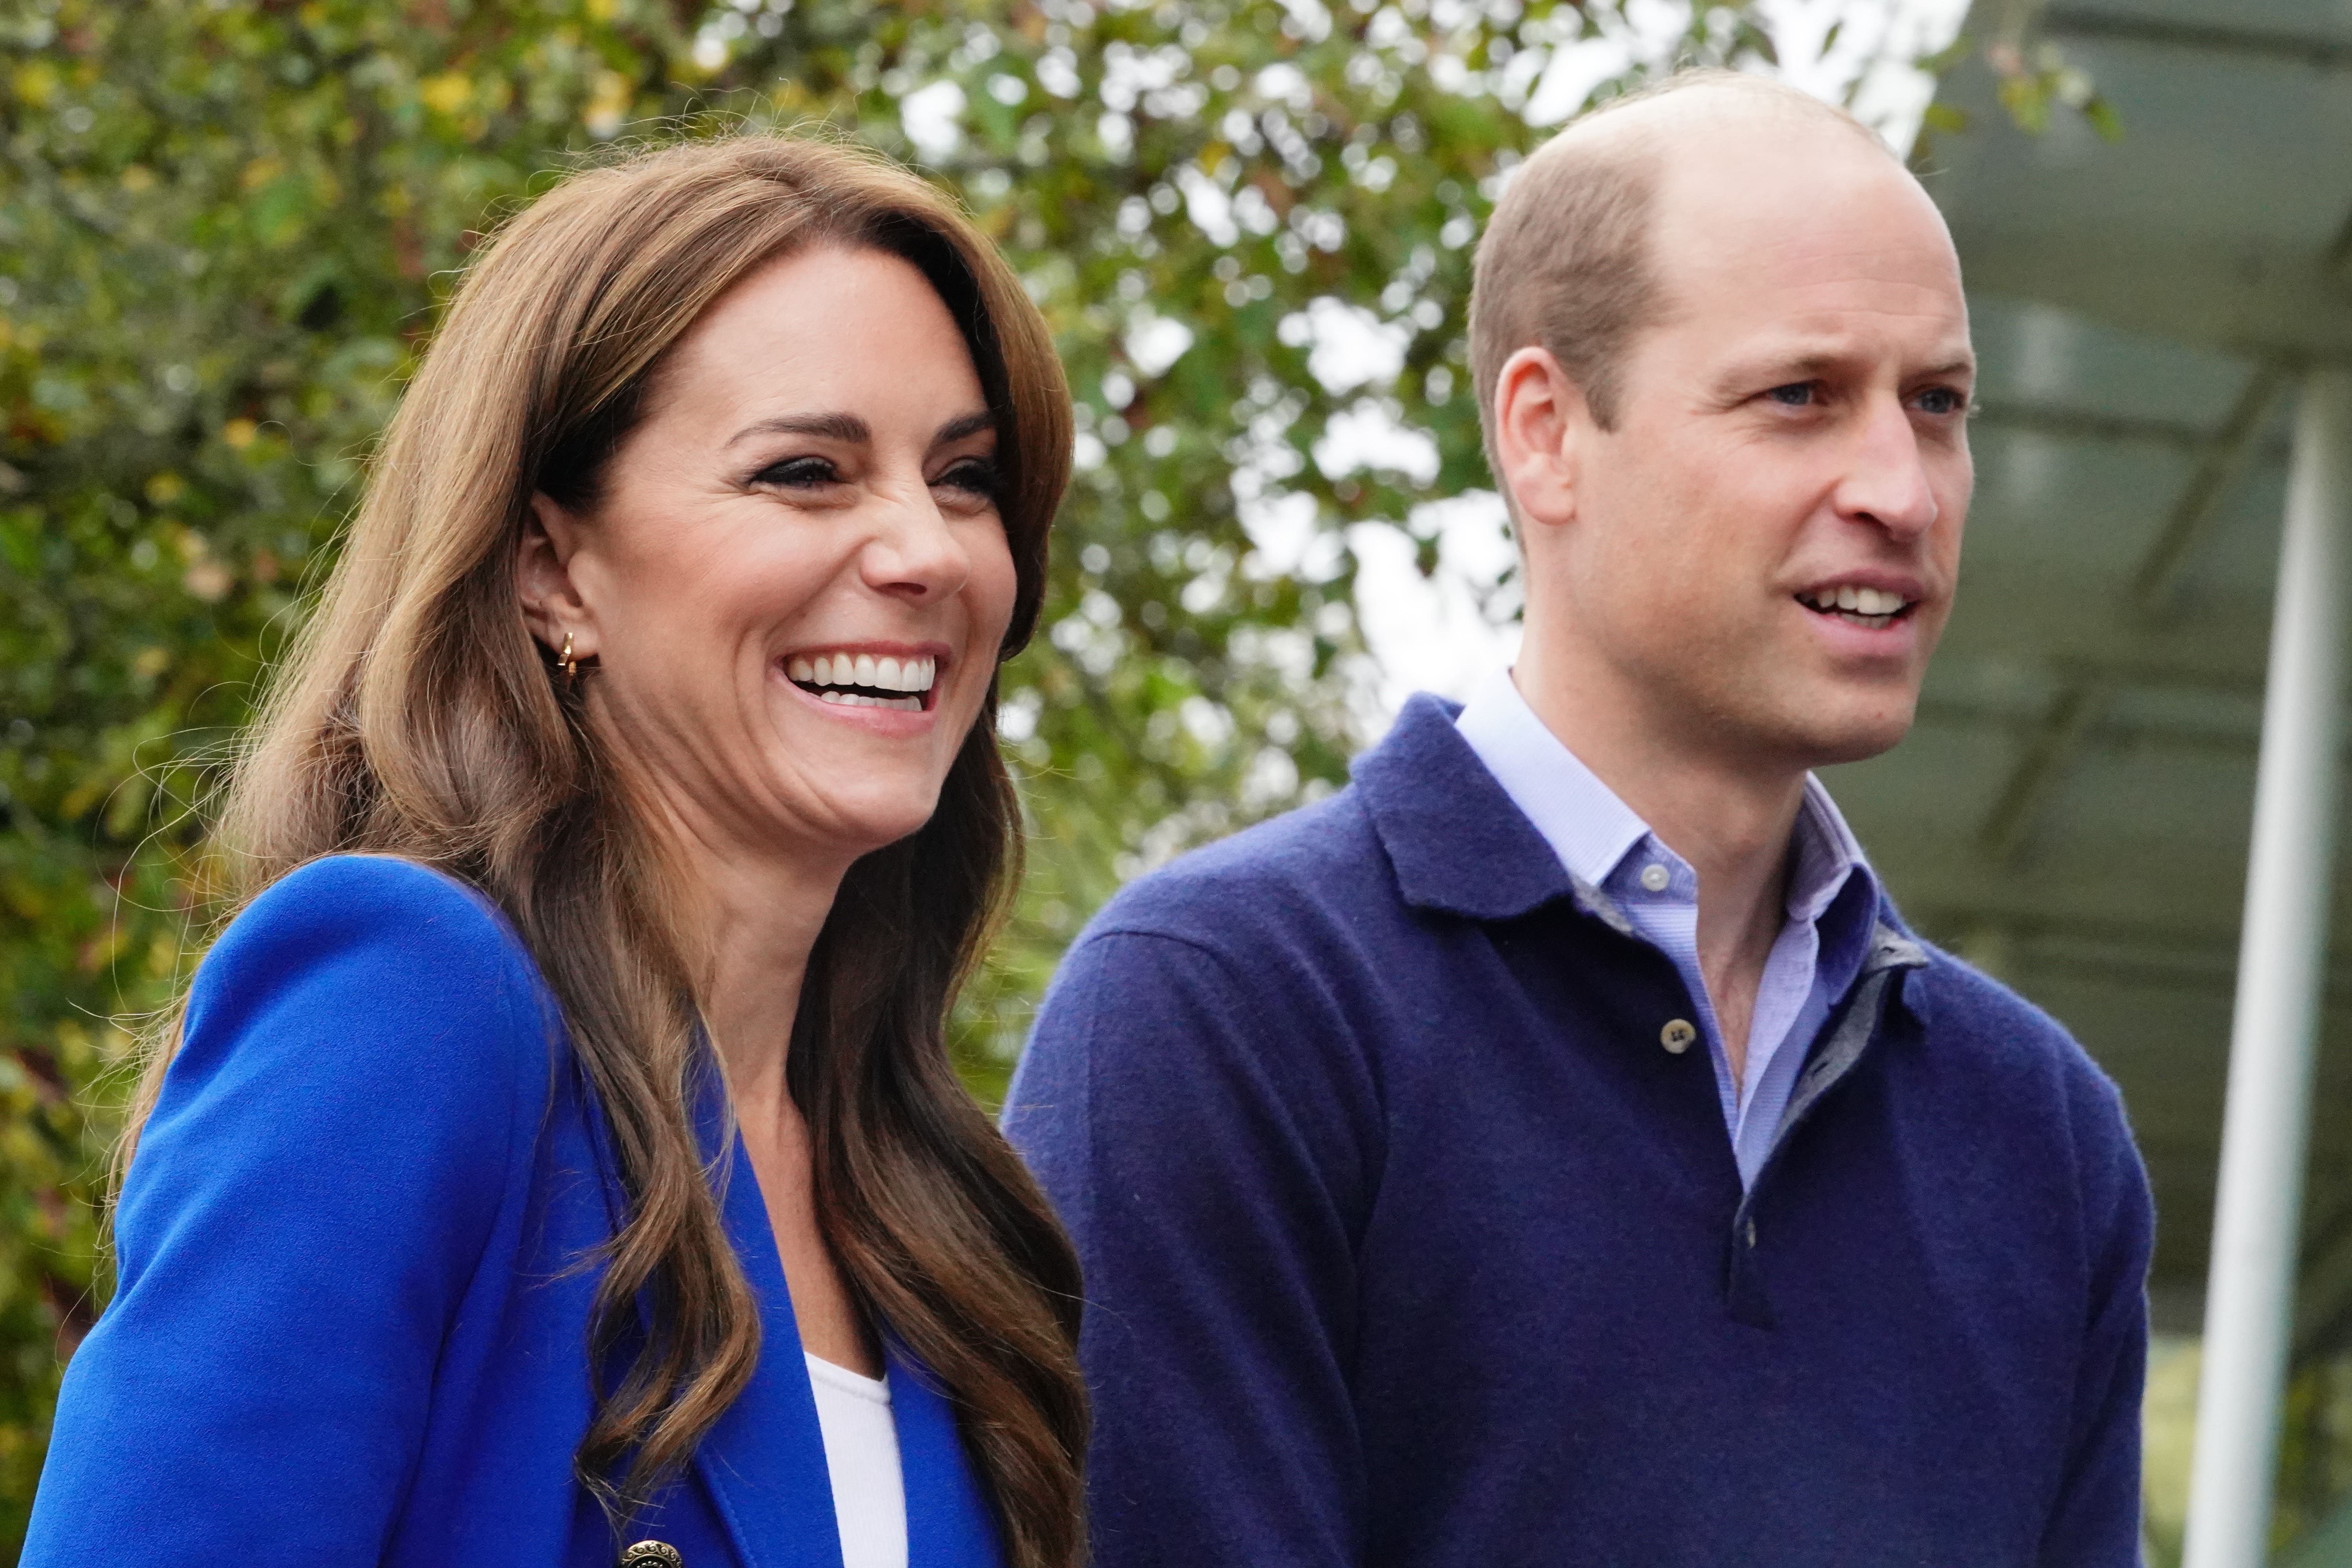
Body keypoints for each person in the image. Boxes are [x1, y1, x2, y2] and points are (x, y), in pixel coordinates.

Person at [1004, 69, 2151, 1567]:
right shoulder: (1228, 1011)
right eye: (1800, 395)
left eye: (1936, 405)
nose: (1903, 490)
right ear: (1545, 432)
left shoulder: (2043, 1135)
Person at [26, 135, 1087, 1568]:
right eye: (804, 472)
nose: (929, 553)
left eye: (964, 480)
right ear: (551, 569)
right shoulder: (411, 998)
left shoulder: (937, 1207)